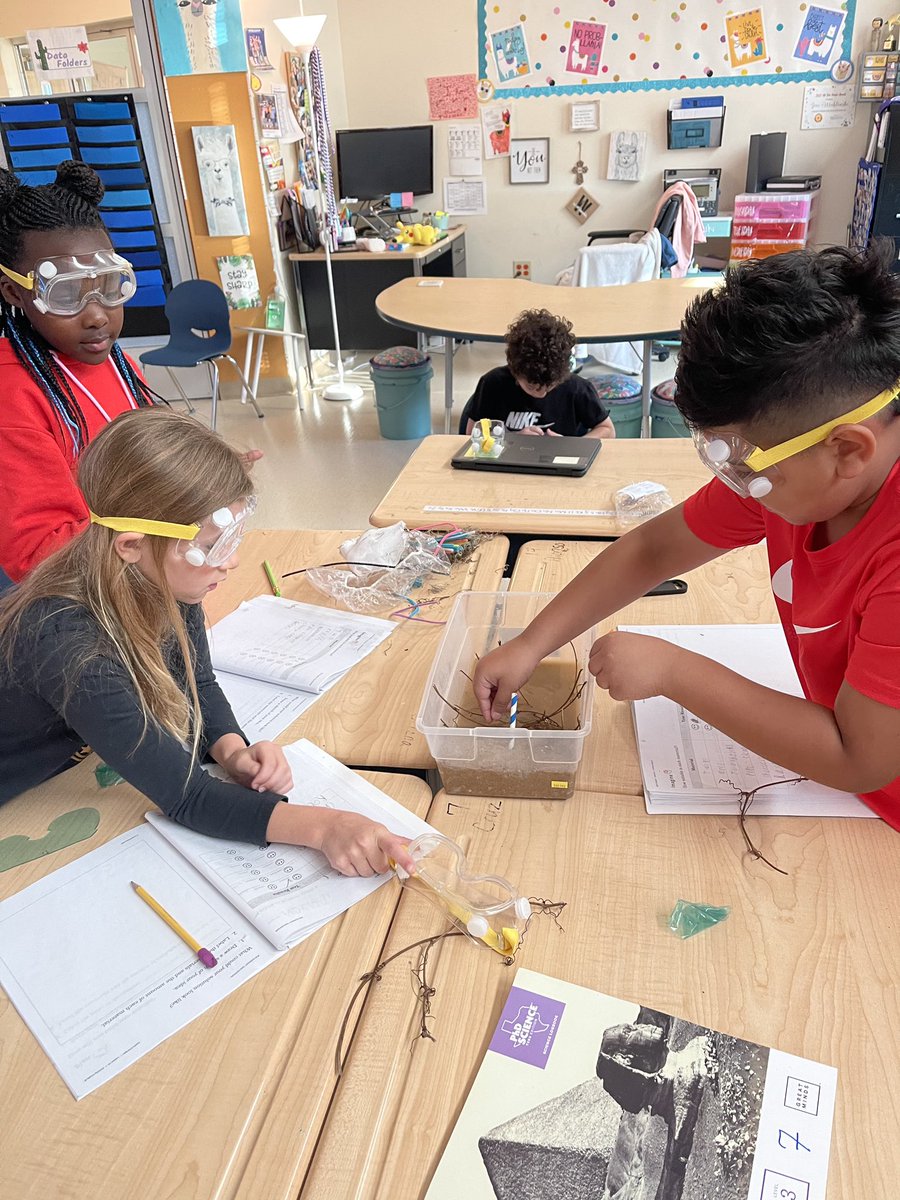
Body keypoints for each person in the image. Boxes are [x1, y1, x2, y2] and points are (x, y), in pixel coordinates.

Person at [472, 243, 900, 828]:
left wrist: (674, 672)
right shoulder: (799, 469)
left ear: (848, 448)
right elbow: (653, 548)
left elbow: (860, 758)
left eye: (745, 463)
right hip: (837, 746)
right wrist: (530, 644)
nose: (737, 482)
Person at [0, 408, 415, 876]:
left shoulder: (162, 576)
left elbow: (195, 679)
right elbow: (187, 797)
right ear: (132, 545)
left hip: (69, 762)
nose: (231, 561)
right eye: (215, 545)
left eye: (232, 539)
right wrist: (326, 828)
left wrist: (231, 749)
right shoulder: (67, 642)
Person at [463, 308, 615, 439]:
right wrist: (512, 439)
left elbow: (608, 430)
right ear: (515, 371)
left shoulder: (576, 388)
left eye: (549, 387)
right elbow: (471, 434)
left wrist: (573, 444)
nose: (541, 394)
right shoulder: (493, 383)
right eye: (531, 386)